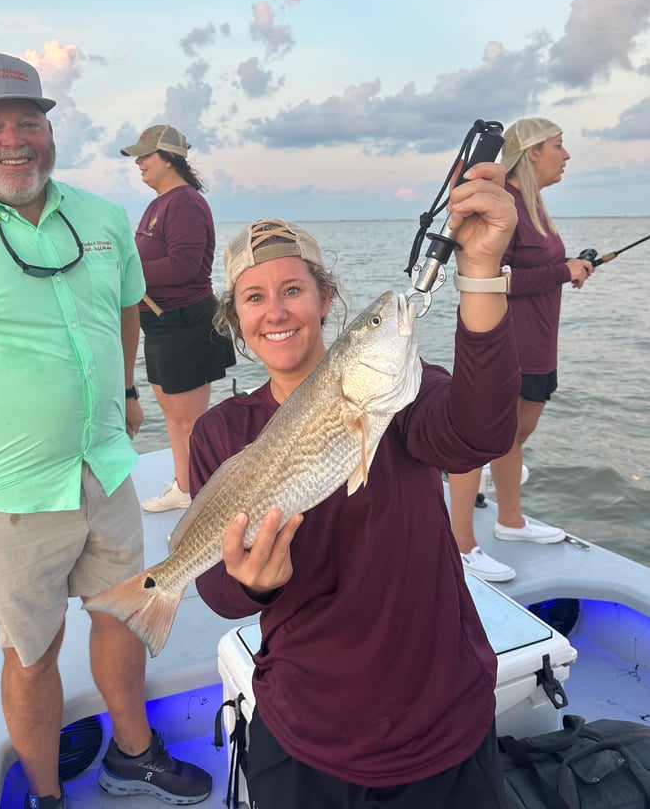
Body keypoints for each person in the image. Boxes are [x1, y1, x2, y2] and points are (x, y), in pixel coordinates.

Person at [0, 55, 212, 809]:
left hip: (105, 468)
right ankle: (45, 796)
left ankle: (132, 753)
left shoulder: (103, 219)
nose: (15, 141)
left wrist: (130, 390)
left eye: (30, 122)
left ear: (50, 130)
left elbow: (130, 302)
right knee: (32, 657)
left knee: (127, 615)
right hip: (5, 498)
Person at [187, 160, 521, 809]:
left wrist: (480, 271)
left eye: (293, 289)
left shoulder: (398, 392)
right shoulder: (221, 433)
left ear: (325, 301)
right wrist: (253, 580)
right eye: (255, 297)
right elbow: (222, 595)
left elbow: (479, 434)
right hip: (304, 723)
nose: (276, 311)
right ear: (236, 317)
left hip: (441, 716)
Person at [448, 117, 595, 583]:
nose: (565, 155)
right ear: (531, 152)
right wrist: (561, 271)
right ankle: (460, 545)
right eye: (558, 145)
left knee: (514, 435)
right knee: (478, 439)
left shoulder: (535, 205)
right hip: (505, 343)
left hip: (539, 345)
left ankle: (510, 521)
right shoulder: (504, 202)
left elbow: (540, 269)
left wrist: (571, 268)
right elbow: (495, 277)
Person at [120, 125, 235, 513]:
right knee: (172, 415)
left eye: (145, 155)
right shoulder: (159, 203)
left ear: (169, 158)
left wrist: (123, 271)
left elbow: (185, 266)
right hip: (161, 325)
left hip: (187, 322)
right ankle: (186, 486)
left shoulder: (183, 202)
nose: (138, 163)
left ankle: (199, 493)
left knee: (189, 421)